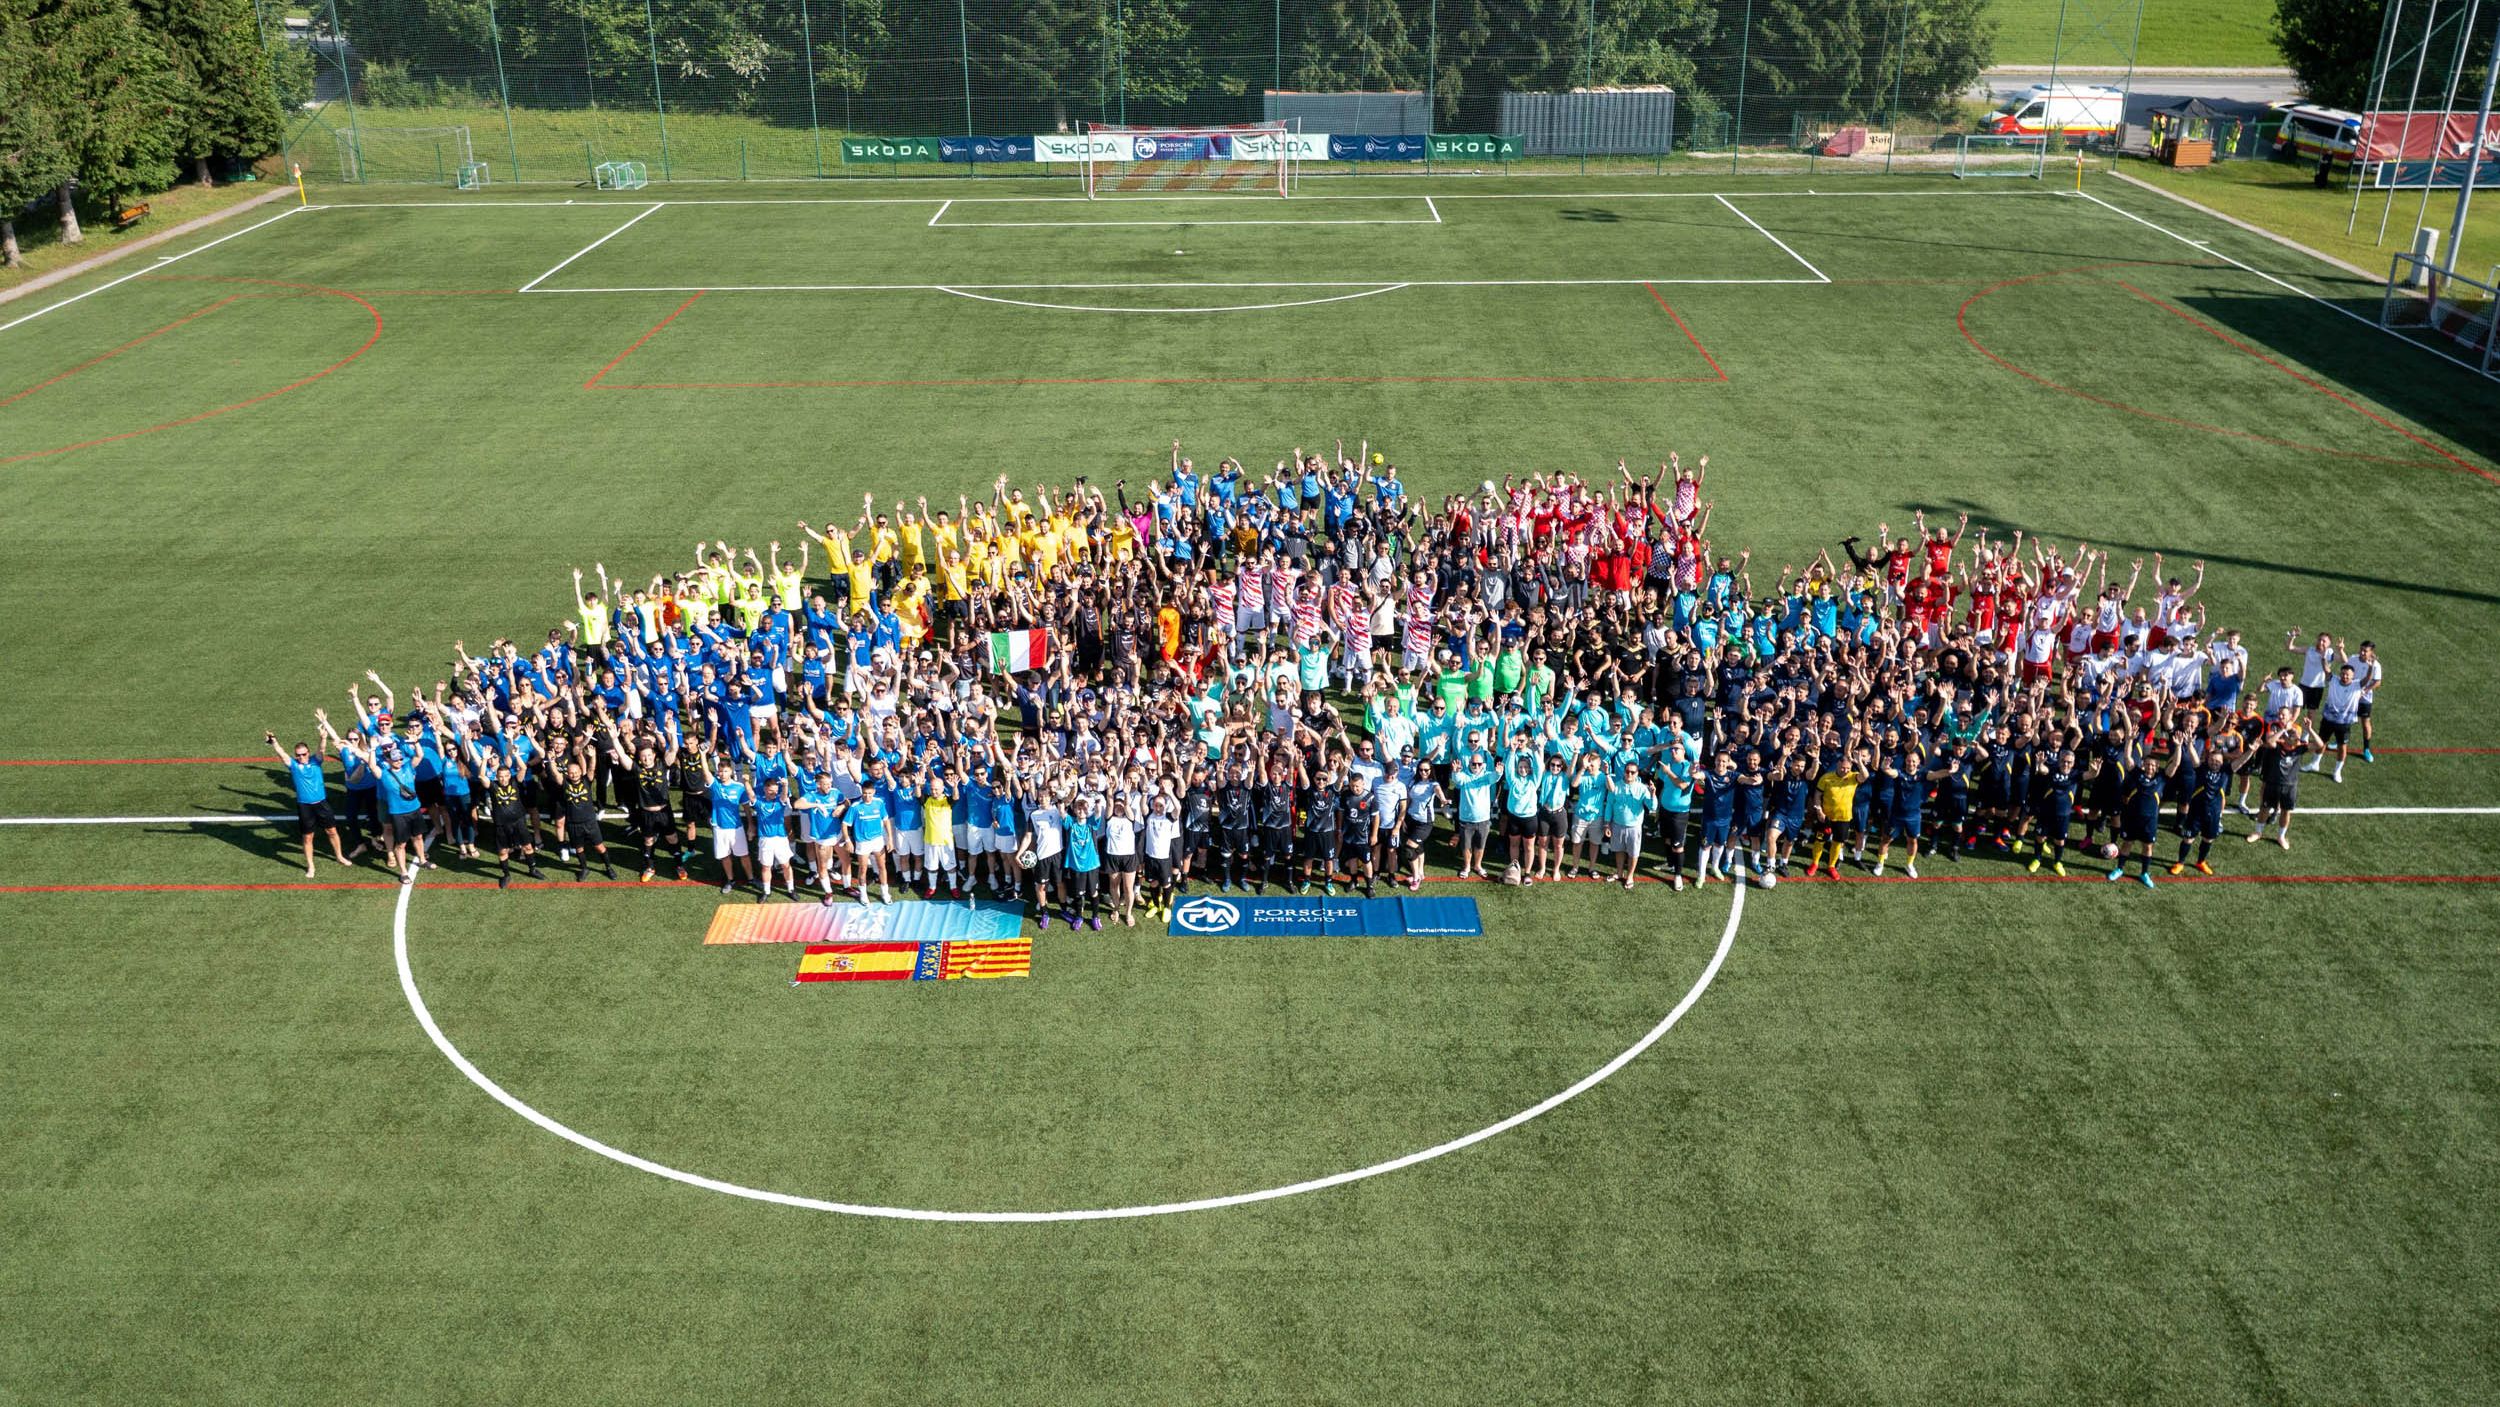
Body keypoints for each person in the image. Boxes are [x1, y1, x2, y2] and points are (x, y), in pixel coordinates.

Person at [269, 729, 348, 878]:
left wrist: (323, 737)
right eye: (298, 755)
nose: (301, 757)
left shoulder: (316, 761)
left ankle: (339, 856)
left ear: (308, 753)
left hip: (321, 804)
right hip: (305, 806)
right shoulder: (293, 765)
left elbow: (321, 750)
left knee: (332, 831)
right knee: (308, 837)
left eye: (304, 754)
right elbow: (282, 754)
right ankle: (311, 866)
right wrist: (274, 742)